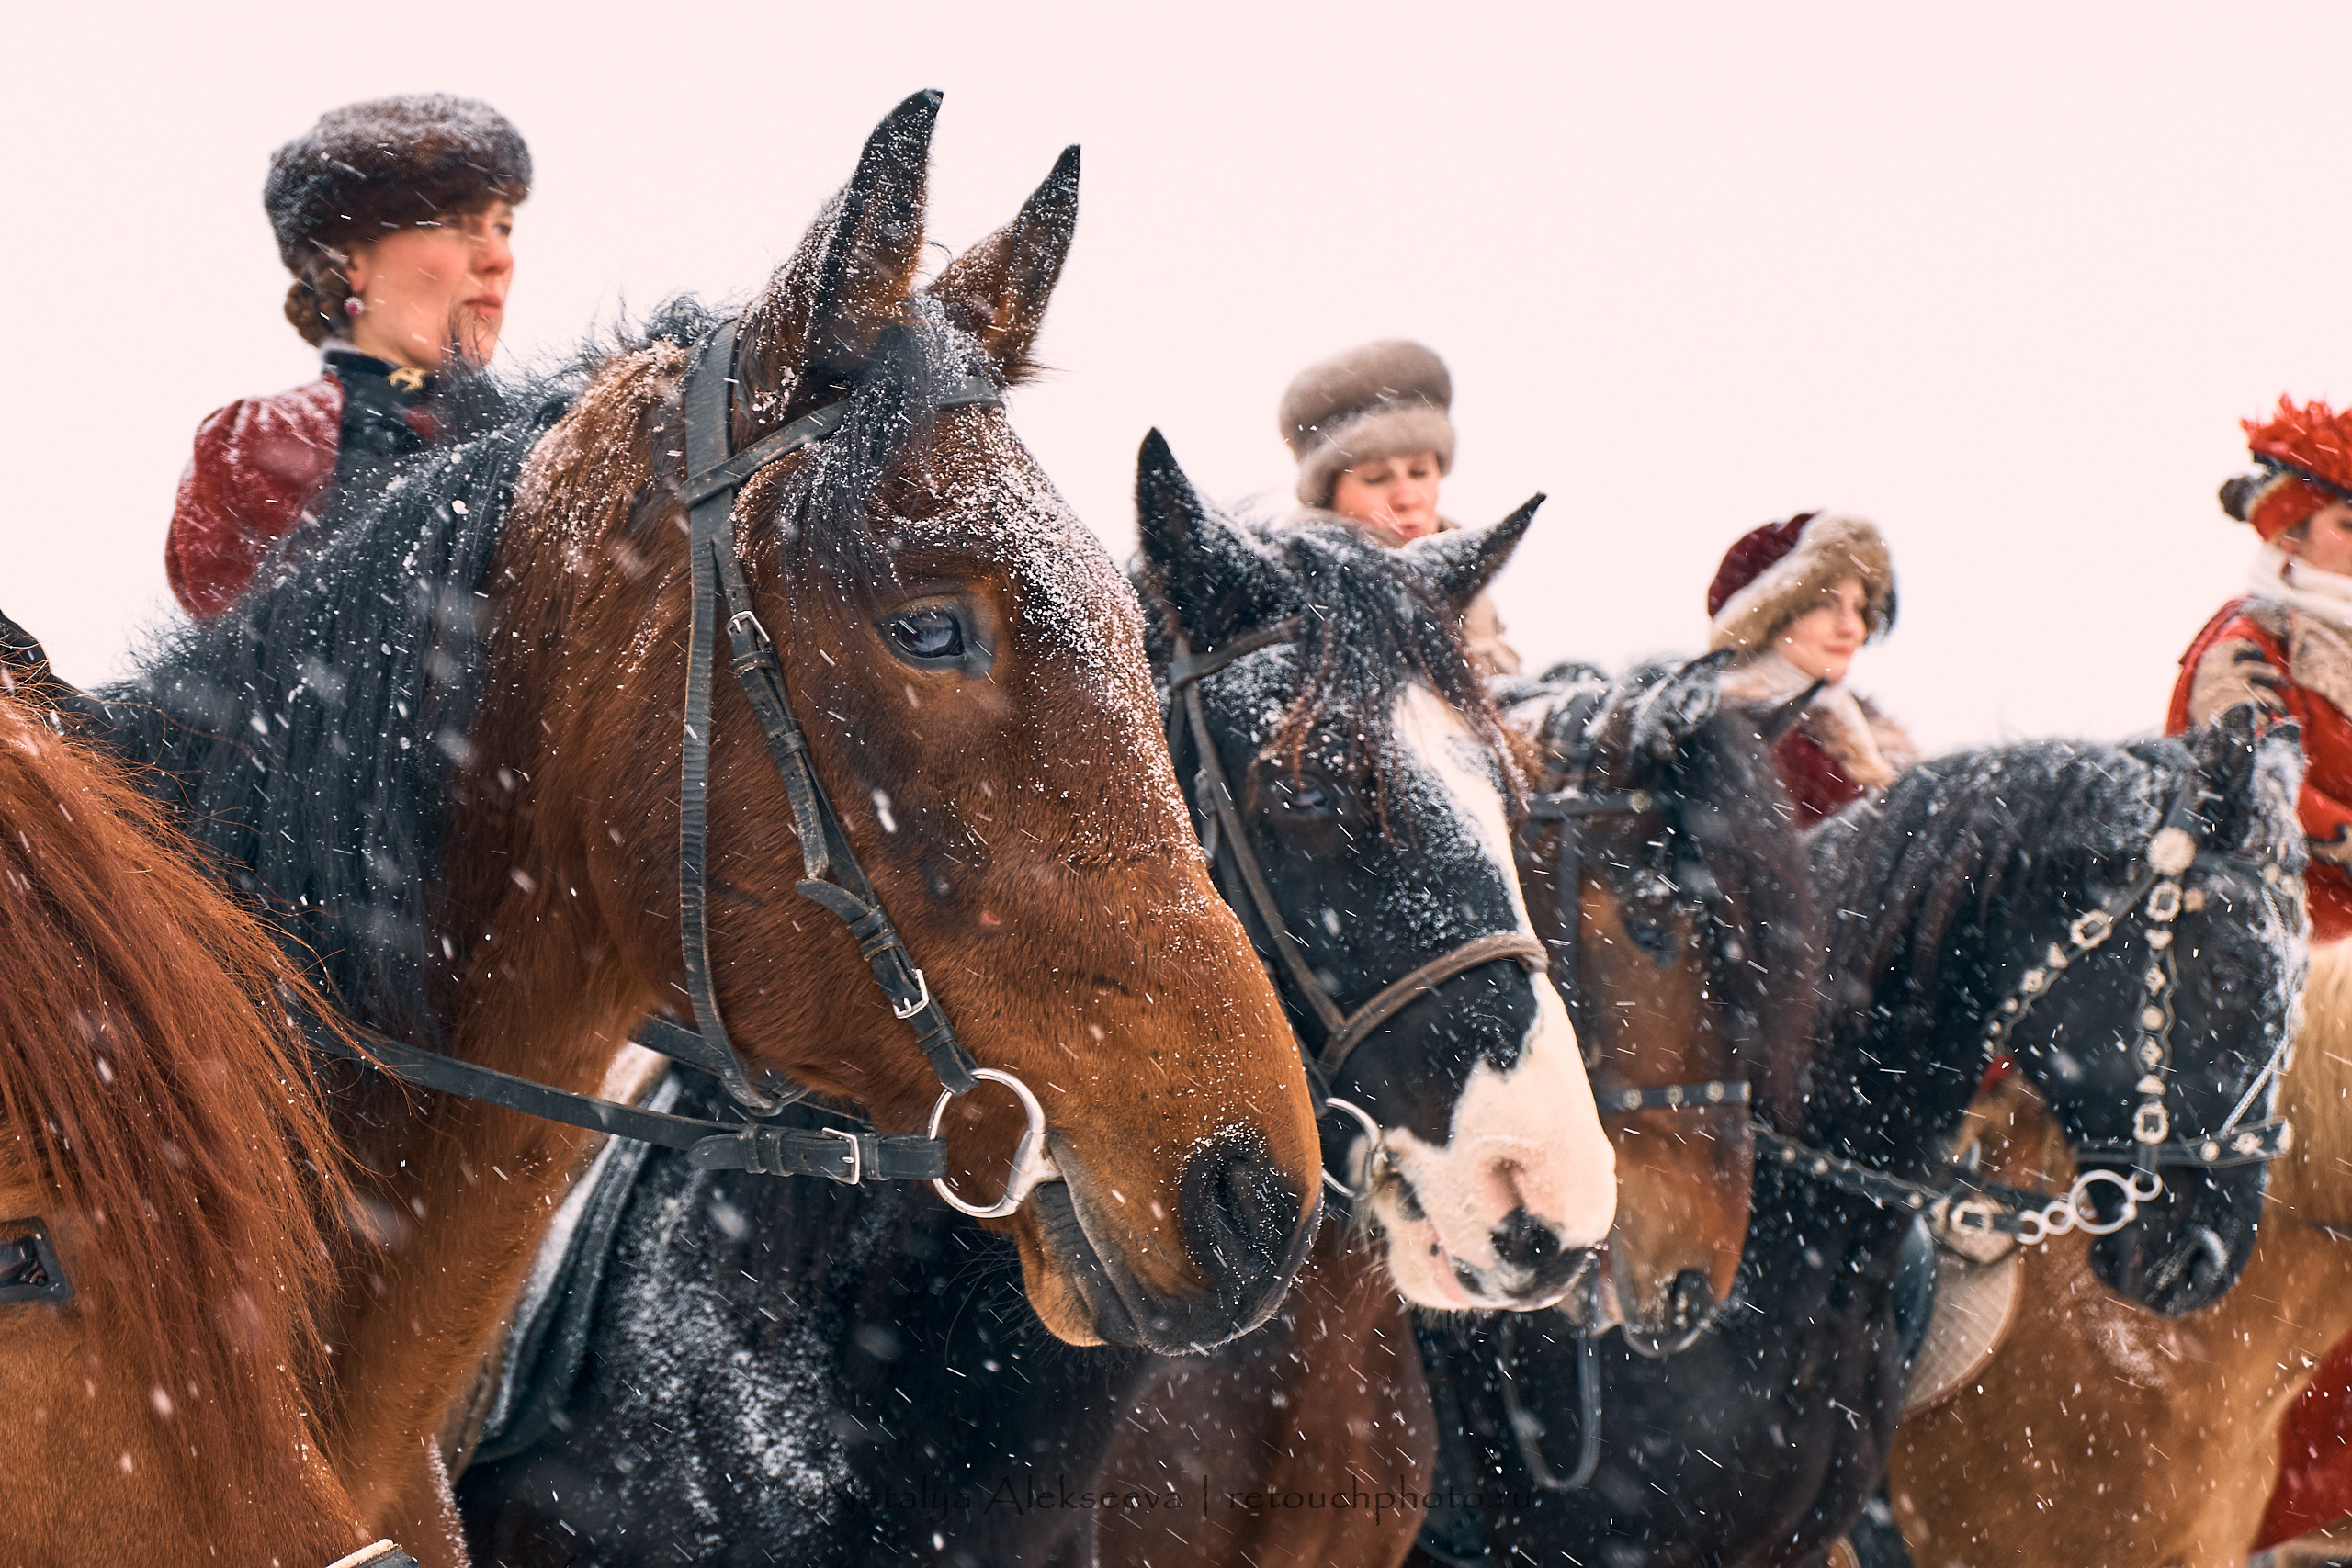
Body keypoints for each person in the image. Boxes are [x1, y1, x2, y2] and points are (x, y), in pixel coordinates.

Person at [165, 95, 530, 619]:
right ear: (351, 258)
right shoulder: (269, 437)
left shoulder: (555, 436)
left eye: (503, 226)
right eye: (451, 220)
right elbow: (254, 680)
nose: (497, 257)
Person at [2169, 396, 2352, 944]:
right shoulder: (2250, 641)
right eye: (2347, 524)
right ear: (2290, 533)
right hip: (2276, 935)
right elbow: (2254, 777)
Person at [1277, 339, 1521, 675]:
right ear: (1328, 497)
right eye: (1376, 478)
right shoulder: (1293, 602)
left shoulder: (1473, 586)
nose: (1407, 497)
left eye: (1420, 472)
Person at [1709, 511, 1915, 825]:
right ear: (1768, 618)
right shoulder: (1735, 737)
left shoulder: (1871, 736)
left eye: (1859, 608)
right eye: (1826, 604)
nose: (1851, 627)